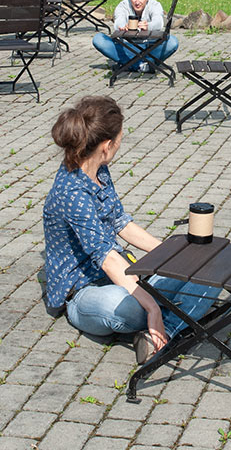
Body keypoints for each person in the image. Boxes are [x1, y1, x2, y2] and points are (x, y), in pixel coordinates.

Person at [42, 96, 219, 363]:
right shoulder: (71, 192)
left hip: (125, 274)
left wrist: (172, 256)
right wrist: (151, 308)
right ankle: (168, 315)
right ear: (106, 145)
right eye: (120, 139)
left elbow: (120, 222)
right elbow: (107, 258)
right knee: (132, 310)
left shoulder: (98, 170)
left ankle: (164, 332)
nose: (121, 144)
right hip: (84, 292)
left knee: (212, 270)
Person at [92, 0, 178, 73]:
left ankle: (130, 64)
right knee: (98, 39)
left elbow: (159, 22)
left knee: (172, 42)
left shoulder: (155, 5)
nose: (137, 2)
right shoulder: (123, 5)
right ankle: (143, 65)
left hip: (150, 46)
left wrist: (148, 26)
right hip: (127, 47)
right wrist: (122, 27)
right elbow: (118, 20)